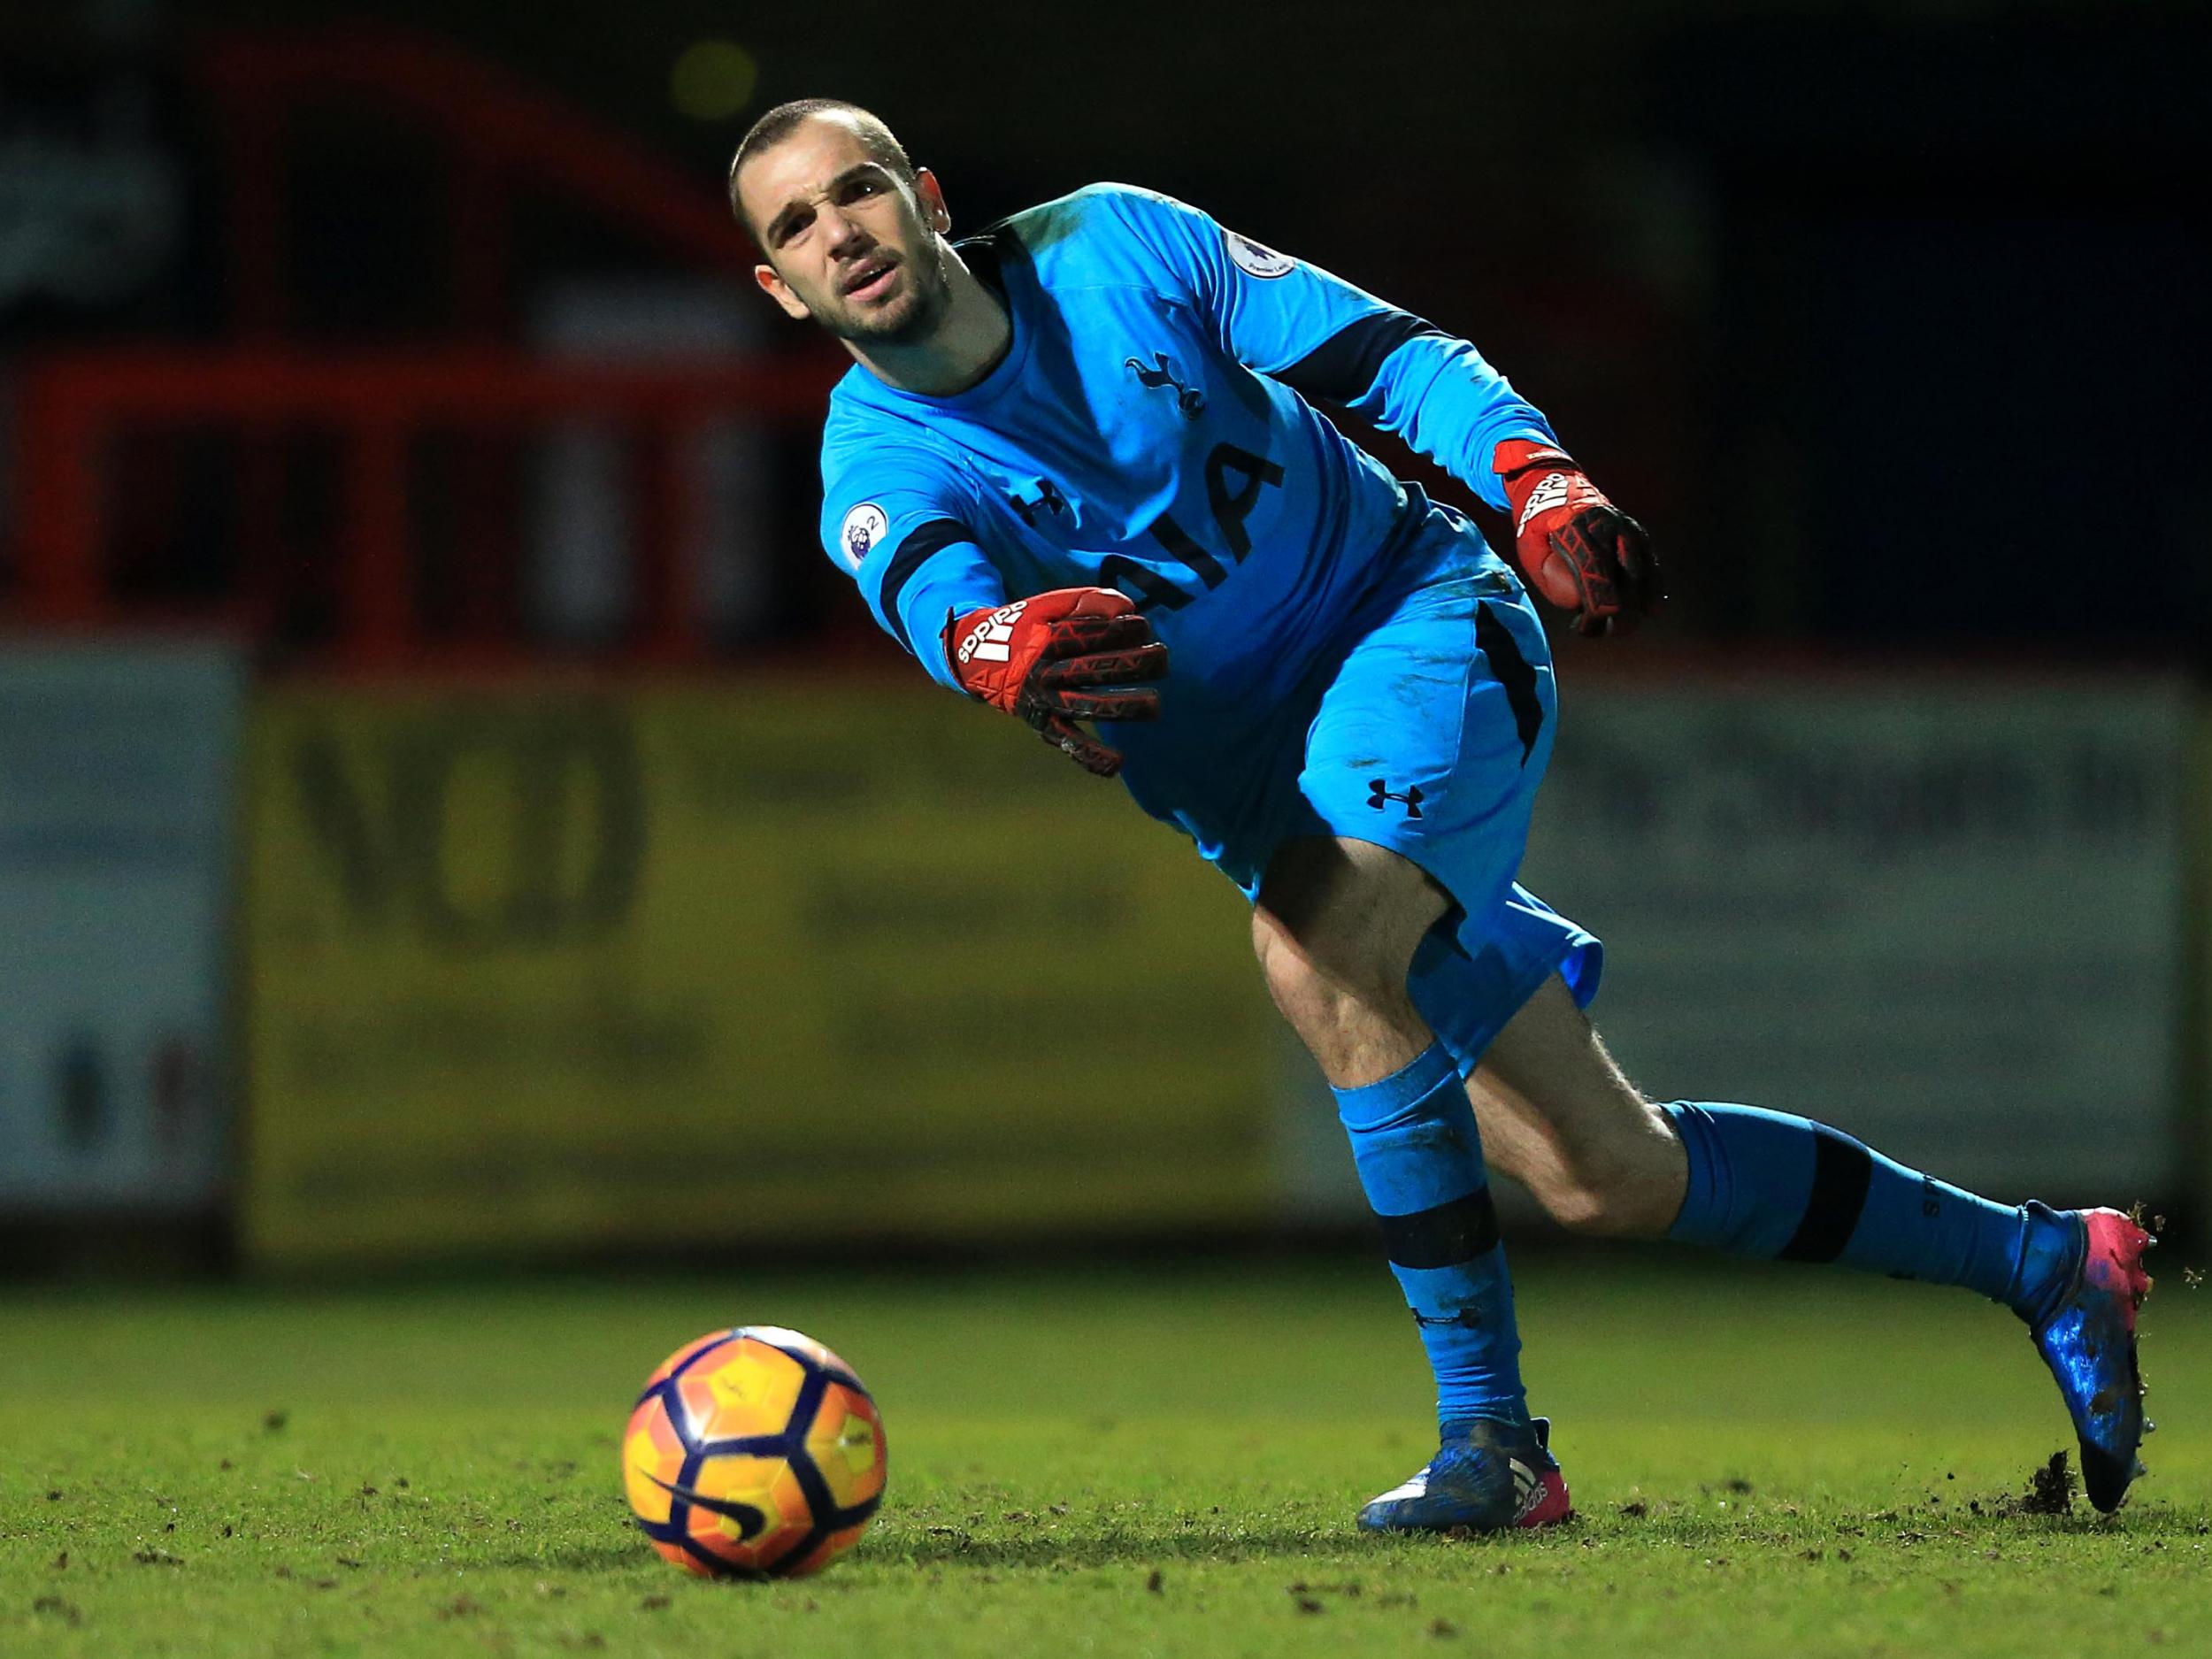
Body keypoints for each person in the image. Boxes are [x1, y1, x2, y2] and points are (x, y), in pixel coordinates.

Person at [726, 99, 2154, 1531]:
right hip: (1274, 800)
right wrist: (993, 650)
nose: (838, 230)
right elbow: (936, 594)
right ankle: (2048, 1263)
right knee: (1609, 1175)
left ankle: (1495, 1445)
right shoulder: (876, 463)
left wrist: (1537, 484)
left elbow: (1391, 357)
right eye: (795, 225)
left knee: (1314, 945)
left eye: (856, 189)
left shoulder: (1112, 243)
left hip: (1416, 624)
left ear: (920, 191)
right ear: (780, 289)